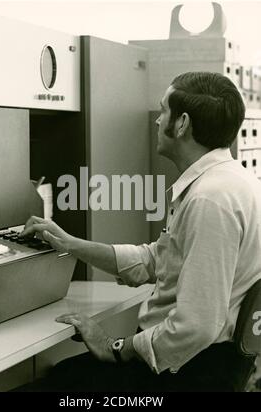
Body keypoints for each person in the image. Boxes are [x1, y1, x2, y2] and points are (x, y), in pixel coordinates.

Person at [18, 72, 261, 392]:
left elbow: (196, 327)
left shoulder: (210, 200)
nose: (157, 121)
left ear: (182, 123)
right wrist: (70, 243)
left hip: (184, 376)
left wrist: (117, 347)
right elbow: (155, 261)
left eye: (163, 111)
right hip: (195, 365)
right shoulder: (230, 184)